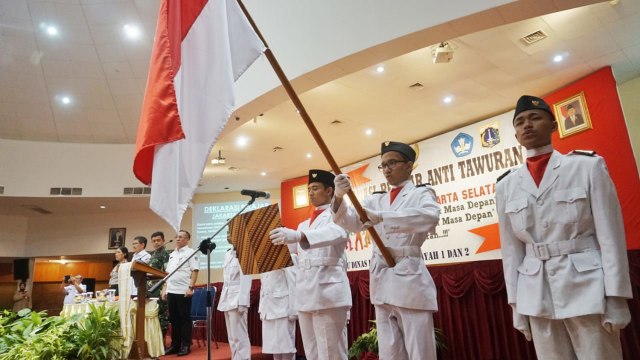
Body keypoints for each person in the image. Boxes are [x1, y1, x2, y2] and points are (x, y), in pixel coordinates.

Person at [496, 95, 632, 359]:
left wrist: (616, 298)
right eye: (520, 122)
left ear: (553, 124)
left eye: (535, 118)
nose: (527, 125)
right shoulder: (506, 185)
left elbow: (611, 236)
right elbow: (511, 250)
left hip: (587, 286)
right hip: (536, 293)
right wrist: (516, 305)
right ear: (515, 135)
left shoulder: (586, 166)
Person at [331, 143, 441, 360]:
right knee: (390, 352)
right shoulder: (376, 198)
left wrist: (383, 218)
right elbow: (351, 222)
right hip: (381, 276)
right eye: (383, 166)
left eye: (393, 163)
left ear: (409, 166)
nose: (387, 169)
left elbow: (430, 217)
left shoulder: (421, 193)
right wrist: (339, 197)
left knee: (420, 349)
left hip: (409, 274)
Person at [270, 169, 352, 360]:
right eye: (309, 189)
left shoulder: (340, 215)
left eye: (315, 188)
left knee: (332, 353)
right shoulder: (303, 224)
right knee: (312, 352)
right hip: (306, 292)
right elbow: (293, 256)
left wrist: (299, 236)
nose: (311, 193)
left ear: (330, 190)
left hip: (328, 292)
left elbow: (336, 233)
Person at [161, 230, 199, 357]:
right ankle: (175, 345)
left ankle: (186, 345)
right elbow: (168, 274)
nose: (178, 239)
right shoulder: (172, 254)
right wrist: (165, 288)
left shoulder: (191, 253)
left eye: (181, 237)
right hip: (171, 290)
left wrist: (191, 287)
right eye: (177, 237)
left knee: (184, 318)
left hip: (183, 290)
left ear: (187, 239)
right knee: (174, 319)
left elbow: (195, 270)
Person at [217, 247, 253, 360]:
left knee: (240, 336)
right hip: (227, 297)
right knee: (232, 337)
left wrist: (242, 302)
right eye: (227, 232)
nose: (228, 235)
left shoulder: (245, 251)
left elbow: (246, 278)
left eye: (230, 233)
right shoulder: (228, 253)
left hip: (237, 299)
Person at [258, 266, 297, 360]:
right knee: (274, 348)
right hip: (268, 309)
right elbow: (263, 287)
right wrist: (261, 309)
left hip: (283, 309)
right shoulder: (264, 260)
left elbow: (293, 283)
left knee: (287, 347)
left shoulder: (285, 256)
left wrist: (294, 310)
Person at [148, 231, 170, 335]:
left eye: (158, 240)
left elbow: (167, 273)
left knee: (161, 315)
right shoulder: (153, 254)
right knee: (153, 314)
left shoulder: (165, 254)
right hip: (151, 289)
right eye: (154, 241)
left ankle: (162, 341)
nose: (156, 243)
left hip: (160, 288)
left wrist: (165, 289)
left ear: (163, 241)